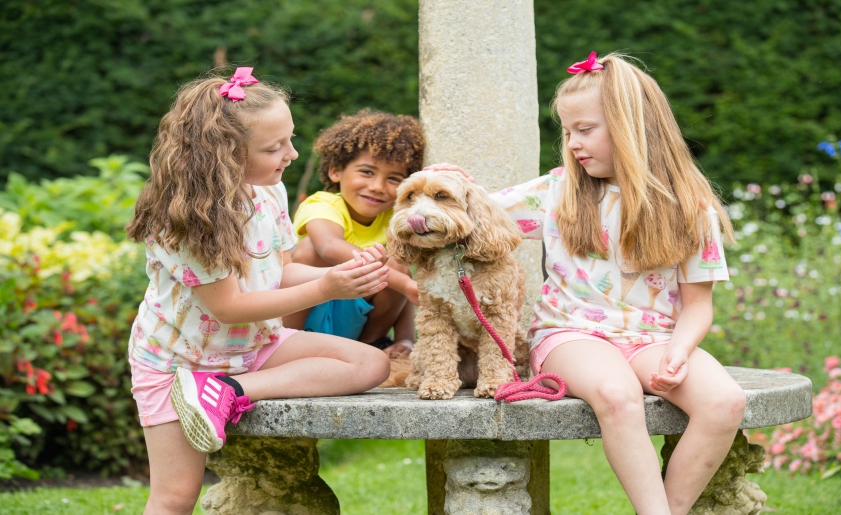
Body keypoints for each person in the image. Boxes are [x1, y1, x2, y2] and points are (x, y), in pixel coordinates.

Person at [426, 52, 746, 515]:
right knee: (618, 394)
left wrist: (679, 352)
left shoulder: (690, 209)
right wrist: (450, 187)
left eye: (586, 130)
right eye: (569, 132)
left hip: (652, 339)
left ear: (632, 127)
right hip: (570, 335)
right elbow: (474, 215)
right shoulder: (557, 193)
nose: (573, 143)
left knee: (724, 402)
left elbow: (698, 305)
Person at [124, 67, 392, 515]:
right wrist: (326, 286)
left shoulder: (270, 193)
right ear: (224, 155)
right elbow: (228, 307)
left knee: (370, 361)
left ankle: (231, 389)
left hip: (253, 349)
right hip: (179, 362)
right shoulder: (185, 218)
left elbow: (279, 273)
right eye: (274, 147)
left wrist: (349, 277)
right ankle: (209, 388)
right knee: (174, 498)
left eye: (289, 138)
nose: (291, 153)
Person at [286, 109, 424, 356]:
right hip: (311, 310)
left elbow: (403, 285)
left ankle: (373, 347)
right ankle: (286, 343)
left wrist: (406, 338)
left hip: (358, 325)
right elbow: (329, 247)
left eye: (394, 178)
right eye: (367, 172)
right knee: (309, 248)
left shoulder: (394, 219)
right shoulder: (322, 204)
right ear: (336, 171)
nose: (378, 187)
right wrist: (405, 285)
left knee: (398, 261)